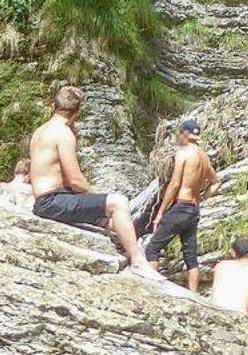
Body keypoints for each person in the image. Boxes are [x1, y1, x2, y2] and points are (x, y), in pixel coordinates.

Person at [26, 84, 160, 278]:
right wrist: (94, 194)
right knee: (118, 202)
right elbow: (75, 181)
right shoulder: (63, 134)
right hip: (53, 202)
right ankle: (137, 262)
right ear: (77, 112)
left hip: (46, 200)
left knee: (111, 220)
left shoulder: (40, 131)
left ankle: (133, 244)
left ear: (53, 105)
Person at [145, 117, 219, 292]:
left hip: (182, 206)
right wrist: (202, 198)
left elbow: (175, 184)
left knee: (152, 248)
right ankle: (192, 295)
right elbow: (216, 182)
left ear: (185, 134)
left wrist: (161, 212)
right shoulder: (204, 157)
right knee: (191, 257)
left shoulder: (184, 153)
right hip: (193, 209)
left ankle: (151, 289)